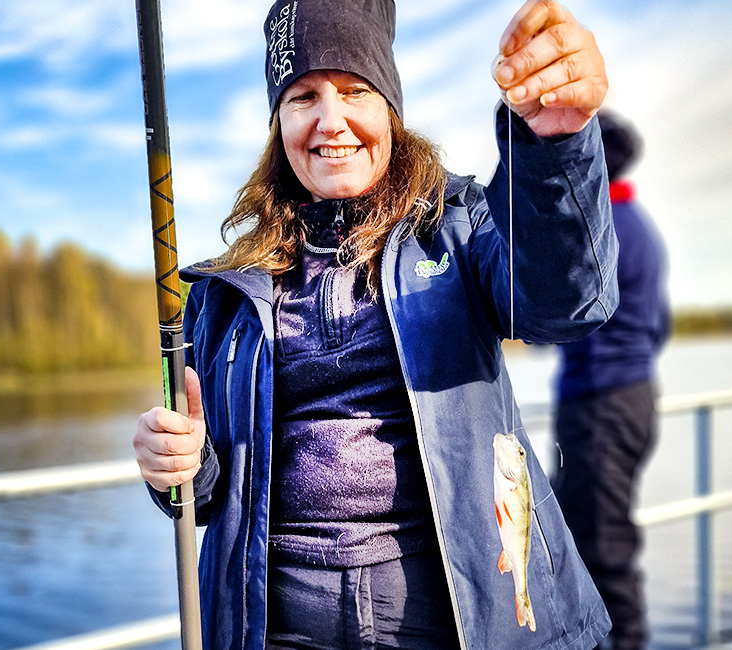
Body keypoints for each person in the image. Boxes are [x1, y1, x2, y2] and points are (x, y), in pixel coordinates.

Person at [133, 1, 619, 648]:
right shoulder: (221, 296)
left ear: (389, 108)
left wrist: (556, 150)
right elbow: (207, 493)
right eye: (303, 96)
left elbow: (567, 303)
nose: (330, 121)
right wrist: (179, 467)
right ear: (279, 124)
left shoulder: (458, 227)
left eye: (354, 90)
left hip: (459, 624)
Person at [551, 108, 671, 650]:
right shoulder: (638, 224)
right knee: (581, 535)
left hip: (601, 405)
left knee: (605, 556)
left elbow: (554, 310)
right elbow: (659, 325)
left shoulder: (605, 232)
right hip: (634, 397)